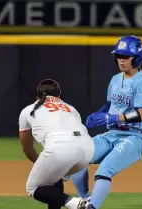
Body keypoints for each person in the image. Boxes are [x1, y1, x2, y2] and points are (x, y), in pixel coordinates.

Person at [70, 35, 142, 209]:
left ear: (137, 58)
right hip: (112, 133)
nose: (121, 60)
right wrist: (99, 114)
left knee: (104, 171)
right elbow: (111, 105)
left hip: (134, 137)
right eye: (119, 56)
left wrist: (115, 118)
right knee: (76, 157)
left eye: (125, 56)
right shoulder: (116, 79)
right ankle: (85, 199)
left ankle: (92, 207)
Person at [18, 78, 94, 209]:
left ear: (37, 96)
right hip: (87, 150)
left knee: (33, 188)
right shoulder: (71, 108)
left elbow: (28, 149)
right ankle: (77, 202)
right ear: (59, 95)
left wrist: (41, 162)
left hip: (60, 148)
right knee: (53, 179)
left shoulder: (28, 110)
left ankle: (78, 204)